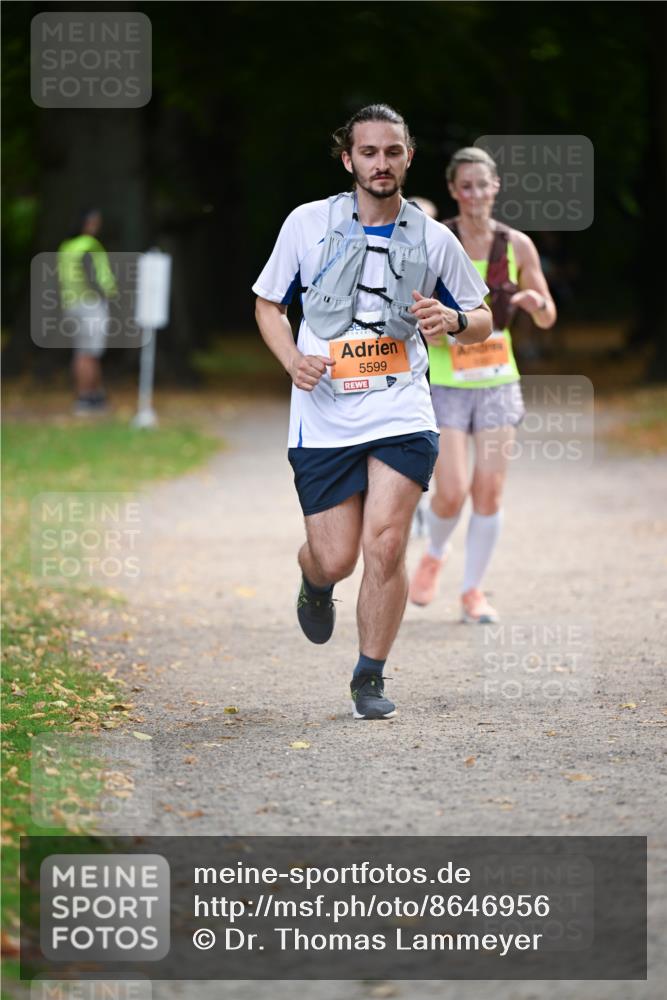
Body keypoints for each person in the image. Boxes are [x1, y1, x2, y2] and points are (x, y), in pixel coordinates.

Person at [253, 106, 492, 719]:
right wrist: (291, 362)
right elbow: (268, 306)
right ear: (348, 159)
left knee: (384, 544)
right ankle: (314, 581)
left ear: (409, 157)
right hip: (324, 410)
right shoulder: (307, 224)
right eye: (368, 152)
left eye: (392, 152)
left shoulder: (436, 238)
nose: (380, 163)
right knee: (337, 556)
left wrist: (456, 321)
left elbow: (481, 316)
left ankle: (369, 678)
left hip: (402, 407)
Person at [409, 147, 557, 622]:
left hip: (497, 381)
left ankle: (473, 593)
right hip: (446, 382)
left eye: (483, 185)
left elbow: (548, 314)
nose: (475, 194)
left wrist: (535, 303)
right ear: (454, 190)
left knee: (488, 492)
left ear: (496, 188)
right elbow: (407, 303)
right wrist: (433, 326)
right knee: (450, 491)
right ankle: (435, 552)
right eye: (465, 186)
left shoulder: (516, 245)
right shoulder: (437, 240)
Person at [57, 209, 117, 415]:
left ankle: (95, 395)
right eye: (94, 223)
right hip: (90, 304)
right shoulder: (89, 245)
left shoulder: (66, 246)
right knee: (88, 353)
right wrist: (107, 293)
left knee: (83, 352)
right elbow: (95, 274)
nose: (96, 227)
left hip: (71, 305)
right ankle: (85, 398)